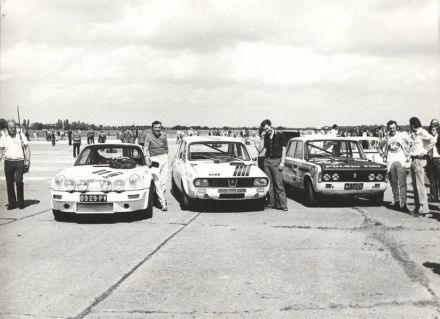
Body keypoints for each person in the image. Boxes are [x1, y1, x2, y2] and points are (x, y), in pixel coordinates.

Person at [379, 120, 411, 212]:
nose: (392, 130)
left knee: (402, 183)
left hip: (401, 160)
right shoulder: (386, 137)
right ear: (388, 129)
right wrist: (383, 156)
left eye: (394, 128)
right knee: (394, 183)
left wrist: (408, 153)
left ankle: (404, 204)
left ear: (396, 127)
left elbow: (411, 142)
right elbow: (378, 147)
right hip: (390, 161)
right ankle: (397, 202)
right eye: (390, 128)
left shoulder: (401, 135)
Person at [256, 119, 287, 211]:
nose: (267, 130)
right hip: (267, 161)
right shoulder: (265, 137)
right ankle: (272, 203)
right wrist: (262, 138)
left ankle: (283, 205)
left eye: (267, 128)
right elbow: (260, 150)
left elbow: (284, 149)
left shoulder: (280, 135)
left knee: (279, 183)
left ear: (270, 125)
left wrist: (282, 162)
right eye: (265, 129)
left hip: (277, 161)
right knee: (270, 184)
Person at [409, 117, 436, 216]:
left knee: (420, 185)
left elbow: (433, 140)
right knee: (415, 186)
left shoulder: (422, 132)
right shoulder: (414, 134)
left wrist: (425, 151)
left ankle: (424, 209)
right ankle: (417, 208)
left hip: (420, 160)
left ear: (413, 124)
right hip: (414, 159)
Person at [0, 120, 31, 210]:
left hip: (19, 162)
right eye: (11, 128)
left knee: (18, 181)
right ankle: (12, 203)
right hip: (8, 162)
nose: (13, 129)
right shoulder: (3, 138)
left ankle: (21, 202)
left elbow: (27, 148)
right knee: (9, 183)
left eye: (14, 127)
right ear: (7, 128)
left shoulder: (21, 135)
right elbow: (1, 151)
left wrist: (28, 160)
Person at [144, 120, 169, 211]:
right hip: (154, 159)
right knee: (157, 181)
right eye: (155, 128)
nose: (157, 129)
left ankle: (160, 197)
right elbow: (145, 148)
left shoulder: (163, 136)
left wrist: (165, 156)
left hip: (164, 158)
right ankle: (163, 203)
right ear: (152, 128)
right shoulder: (148, 136)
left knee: (164, 182)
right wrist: (147, 157)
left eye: (159, 127)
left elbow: (166, 148)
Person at [427, 119, 440, 202]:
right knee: (432, 179)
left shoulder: (439, 137)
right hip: (431, 159)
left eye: (434, 129)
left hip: (438, 159)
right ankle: (433, 196)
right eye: (431, 129)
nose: (432, 131)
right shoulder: (429, 137)